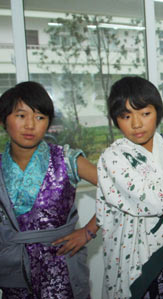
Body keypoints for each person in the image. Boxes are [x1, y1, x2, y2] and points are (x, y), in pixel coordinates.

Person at [96, 76, 163, 299]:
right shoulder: (113, 158)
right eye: (126, 116)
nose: (136, 124)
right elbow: (153, 200)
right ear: (115, 119)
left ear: (158, 112)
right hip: (141, 261)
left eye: (145, 113)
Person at [0, 81, 97, 299]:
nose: (30, 125)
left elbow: (118, 190)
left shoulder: (66, 159)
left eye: (40, 117)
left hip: (61, 266)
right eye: (21, 115)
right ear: (4, 120)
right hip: (13, 269)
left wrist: (87, 232)